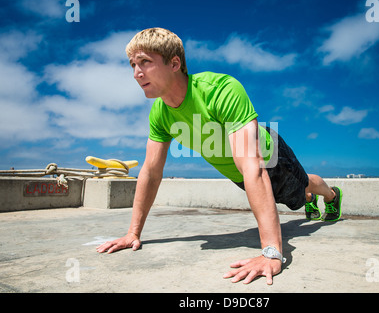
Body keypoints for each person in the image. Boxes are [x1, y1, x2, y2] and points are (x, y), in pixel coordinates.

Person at [96, 28, 342, 285]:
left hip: (270, 157)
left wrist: (272, 253)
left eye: (145, 62)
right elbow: (151, 172)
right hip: (241, 174)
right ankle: (309, 199)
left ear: (174, 63)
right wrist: (132, 233)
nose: (136, 73)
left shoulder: (220, 90)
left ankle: (332, 195)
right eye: (133, 64)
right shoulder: (159, 113)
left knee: (301, 189)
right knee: (293, 199)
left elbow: (255, 168)